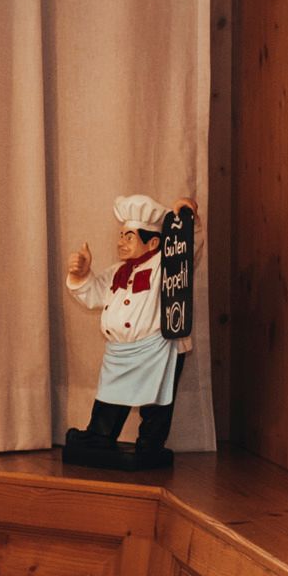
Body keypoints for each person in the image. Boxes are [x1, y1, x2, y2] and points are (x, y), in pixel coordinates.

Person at [64, 193, 197, 470]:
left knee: (156, 402)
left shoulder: (165, 265)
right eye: (121, 236)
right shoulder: (117, 272)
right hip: (120, 352)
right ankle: (99, 436)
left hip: (156, 348)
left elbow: (188, 249)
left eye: (129, 237)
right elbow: (93, 294)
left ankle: (150, 445)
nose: (120, 242)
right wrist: (82, 275)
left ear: (153, 242)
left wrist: (187, 221)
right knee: (110, 398)